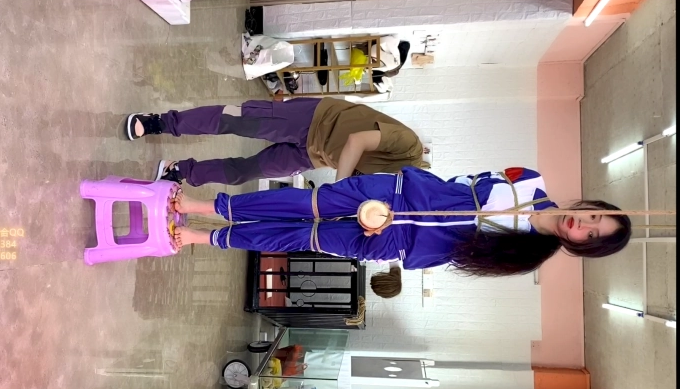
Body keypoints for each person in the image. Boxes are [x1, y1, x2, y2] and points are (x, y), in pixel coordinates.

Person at [167, 166, 632, 298]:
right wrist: (391, 202)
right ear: (591, 206)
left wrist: (388, 243)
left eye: (592, 237)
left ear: (582, 248)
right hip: (393, 195)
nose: (584, 226)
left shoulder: (525, 255)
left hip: (394, 241)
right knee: (302, 204)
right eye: (595, 218)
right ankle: (200, 205)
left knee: (300, 238)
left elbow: (453, 256)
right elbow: (462, 182)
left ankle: (200, 238)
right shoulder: (528, 180)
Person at [125, 97, 430, 186]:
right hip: (315, 118)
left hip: (315, 156)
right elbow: (356, 141)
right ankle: (159, 122)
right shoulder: (409, 145)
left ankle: (179, 171)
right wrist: (341, 188)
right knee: (234, 120)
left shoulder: (393, 188)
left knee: (245, 173)